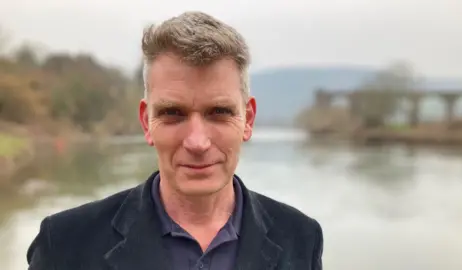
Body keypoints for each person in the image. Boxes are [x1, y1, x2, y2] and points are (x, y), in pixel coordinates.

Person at [26, 11, 324, 270]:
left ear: (248, 119)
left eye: (219, 112)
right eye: (173, 113)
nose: (197, 142)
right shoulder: (65, 245)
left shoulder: (301, 238)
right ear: (146, 122)